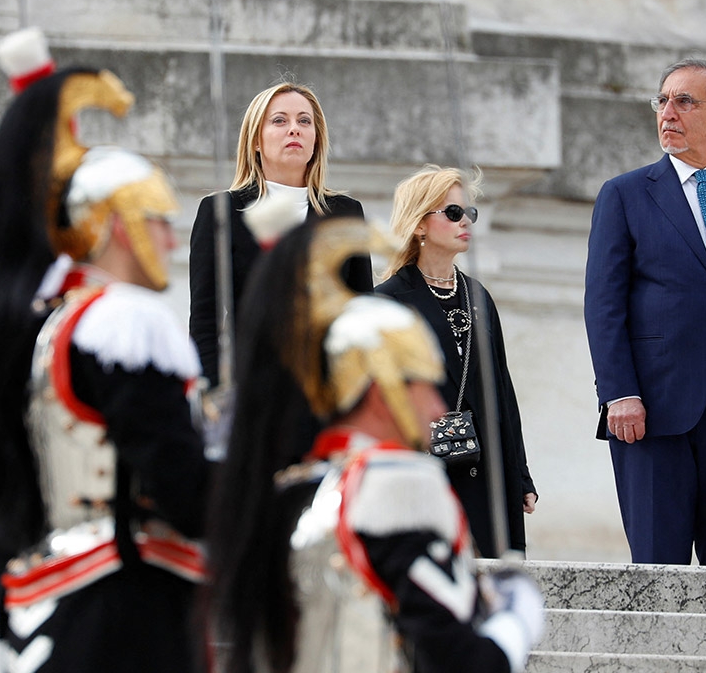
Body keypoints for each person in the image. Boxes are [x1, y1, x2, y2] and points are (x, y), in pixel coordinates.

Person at [207, 216, 544, 673]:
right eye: (421, 383)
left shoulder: (292, 491)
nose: (434, 403)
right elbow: (460, 661)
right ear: (377, 392)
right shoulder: (396, 487)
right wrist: (515, 622)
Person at [0, 66, 210, 672]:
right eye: (159, 221)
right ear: (118, 223)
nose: (171, 243)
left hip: (55, 585)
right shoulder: (125, 321)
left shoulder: (49, 321)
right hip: (125, 600)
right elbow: (179, 486)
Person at [584, 57, 706, 566]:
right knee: (655, 570)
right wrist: (619, 392)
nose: (668, 112)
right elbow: (603, 304)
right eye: (663, 100)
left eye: (684, 101)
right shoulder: (624, 196)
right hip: (650, 411)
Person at [376, 165, 536, 559]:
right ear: (419, 225)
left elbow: (503, 391)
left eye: (469, 213)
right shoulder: (388, 302)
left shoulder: (478, 295)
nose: (466, 222)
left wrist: (521, 475)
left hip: (490, 476)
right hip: (429, 476)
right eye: (452, 213)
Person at [189, 81, 372, 388]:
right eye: (279, 120)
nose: (294, 129)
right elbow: (204, 320)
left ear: (316, 138)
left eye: (304, 121)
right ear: (256, 140)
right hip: (250, 390)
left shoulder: (345, 212)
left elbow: (362, 310)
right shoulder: (221, 211)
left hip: (328, 392)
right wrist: (213, 391)